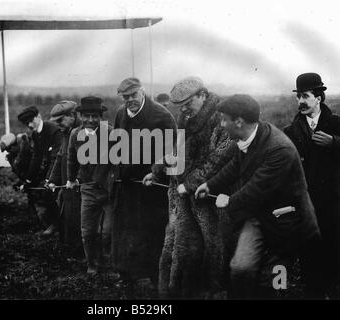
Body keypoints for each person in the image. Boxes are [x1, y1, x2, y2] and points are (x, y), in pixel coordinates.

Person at [195, 94, 322, 299]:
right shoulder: (250, 135)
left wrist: (229, 201)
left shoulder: (279, 148)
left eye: (224, 119)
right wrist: (210, 185)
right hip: (259, 216)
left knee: (271, 281)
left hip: (287, 223)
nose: (221, 124)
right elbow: (235, 166)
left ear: (238, 122)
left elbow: (257, 188)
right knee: (240, 268)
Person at [144, 77, 236, 298]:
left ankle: (216, 291)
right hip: (185, 196)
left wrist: (191, 183)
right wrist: (156, 170)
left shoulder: (224, 116)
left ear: (202, 95)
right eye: (180, 105)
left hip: (213, 197)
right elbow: (177, 152)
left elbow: (220, 158)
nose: (183, 109)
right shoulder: (186, 118)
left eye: (187, 102)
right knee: (179, 247)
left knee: (215, 249)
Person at [113, 77, 177, 291]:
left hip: (151, 186)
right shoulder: (121, 114)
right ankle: (126, 273)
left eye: (133, 95)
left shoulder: (162, 116)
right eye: (125, 97)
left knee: (152, 231)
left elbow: (173, 153)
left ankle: (155, 275)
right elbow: (116, 145)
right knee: (125, 229)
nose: (130, 100)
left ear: (142, 92)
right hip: (127, 184)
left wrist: (156, 175)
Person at [284, 73, 340, 296]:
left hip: (334, 202)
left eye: (305, 96)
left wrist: (334, 142)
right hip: (305, 203)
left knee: (334, 248)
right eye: (298, 97)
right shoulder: (290, 132)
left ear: (319, 97)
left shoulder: (336, 124)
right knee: (309, 253)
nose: (301, 102)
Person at [65, 96, 114, 275]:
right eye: (86, 116)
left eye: (95, 116)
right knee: (88, 231)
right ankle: (92, 264)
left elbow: (119, 161)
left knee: (108, 231)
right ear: (80, 116)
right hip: (87, 189)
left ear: (100, 117)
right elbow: (71, 159)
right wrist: (71, 179)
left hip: (109, 190)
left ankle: (108, 262)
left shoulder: (110, 133)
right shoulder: (74, 135)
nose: (90, 120)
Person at [17, 106, 63, 236]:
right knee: (38, 191)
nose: (30, 125)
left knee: (50, 192)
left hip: (63, 165)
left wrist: (50, 179)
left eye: (31, 121)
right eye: (27, 123)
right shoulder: (36, 135)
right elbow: (36, 158)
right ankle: (51, 223)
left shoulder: (53, 130)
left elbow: (57, 157)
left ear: (39, 116)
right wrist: (28, 180)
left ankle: (58, 225)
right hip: (52, 166)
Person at [47, 101, 82, 249]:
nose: (58, 125)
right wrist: (52, 179)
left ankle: (80, 251)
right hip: (67, 185)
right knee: (67, 213)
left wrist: (77, 179)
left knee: (80, 218)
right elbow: (60, 157)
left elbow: (88, 163)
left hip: (81, 187)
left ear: (72, 116)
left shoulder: (84, 133)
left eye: (60, 120)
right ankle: (69, 246)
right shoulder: (65, 133)